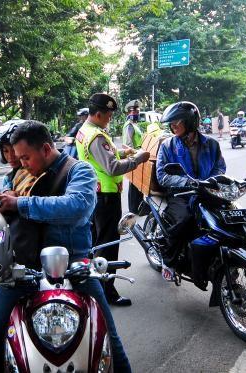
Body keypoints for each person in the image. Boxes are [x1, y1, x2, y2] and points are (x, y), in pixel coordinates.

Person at [0, 122, 132, 372]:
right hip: (23, 270)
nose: (22, 163)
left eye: (26, 157)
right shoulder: (15, 174)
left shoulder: (79, 171)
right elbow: (5, 210)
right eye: (18, 158)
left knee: (108, 338)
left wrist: (20, 204)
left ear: (46, 148)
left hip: (74, 267)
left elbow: (77, 207)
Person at [75, 93, 150, 306]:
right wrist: (137, 159)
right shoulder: (97, 136)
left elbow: (103, 156)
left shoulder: (86, 130)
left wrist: (124, 151)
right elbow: (112, 167)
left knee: (97, 243)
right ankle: (107, 292)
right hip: (106, 197)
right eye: (108, 115)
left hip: (95, 195)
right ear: (98, 114)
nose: (110, 119)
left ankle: (94, 286)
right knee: (108, 245)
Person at [155, 101, 226, 290]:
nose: (173, 126)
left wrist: (211, 181)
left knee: (224, 219)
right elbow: (162, 175)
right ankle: (168, 260)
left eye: (177, 122)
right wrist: (187, 183)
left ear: (189, 121)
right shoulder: (168, 146)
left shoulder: (211, 144)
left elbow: (220, 167)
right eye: (171, 123)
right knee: (185, 219)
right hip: (181, 194)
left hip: (205, 192)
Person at [122, 99, 145, 214]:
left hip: (138, 155)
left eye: (137, 111)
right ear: (128, 113)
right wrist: (136, 154)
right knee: (134, 183)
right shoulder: (129, 126)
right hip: (134, 155)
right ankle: (134, 208)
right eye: (133, 111)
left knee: (138, 182)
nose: (136, 113)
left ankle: (137, 207)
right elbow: (127, 144)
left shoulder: (135, 125)